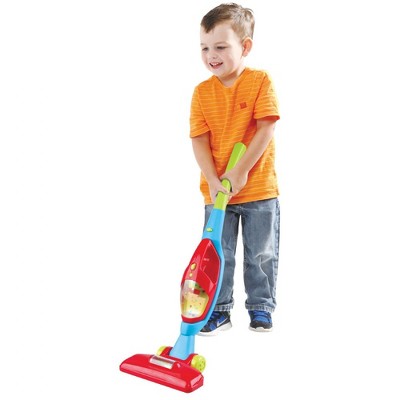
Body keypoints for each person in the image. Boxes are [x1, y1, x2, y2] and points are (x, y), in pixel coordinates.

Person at [190, 3, 281, 334]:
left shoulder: (259, 81)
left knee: (261, 254)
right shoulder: (202, 93)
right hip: (218, 193)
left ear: (245, 47)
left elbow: (266, 127)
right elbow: (199, 140)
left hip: (258, 189)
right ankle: (219, 311)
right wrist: (213, 180)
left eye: (220, 47)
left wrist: (240, 171)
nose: (211, 55)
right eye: (204, 48)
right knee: (218, 253)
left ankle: (260, 307)